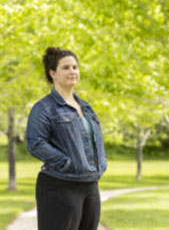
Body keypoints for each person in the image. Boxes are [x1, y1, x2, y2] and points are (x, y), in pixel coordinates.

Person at [26, 47, 107, 230]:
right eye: (66, 68)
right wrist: (66, 162)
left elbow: (96, 140)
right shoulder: (44, 108)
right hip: (60, 185)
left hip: (90, 185)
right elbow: (35, 143)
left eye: (75, 67)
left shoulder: (86, 108)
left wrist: (100, 164)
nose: (72, 71)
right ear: (52, 73)